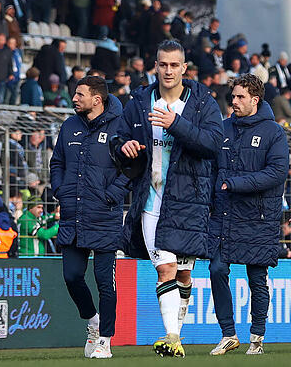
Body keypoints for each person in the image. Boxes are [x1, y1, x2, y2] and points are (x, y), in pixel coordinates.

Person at [117, 39, 223, 358]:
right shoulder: (139, 100)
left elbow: (213, 143)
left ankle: (174, 332)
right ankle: (172, 337)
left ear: (184, 68)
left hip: (188, 201)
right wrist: (125, 147)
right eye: (162, 64)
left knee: (184, 273)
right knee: (165, 268)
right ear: (155, 66)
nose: (168, 70)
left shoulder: (203, 102)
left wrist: (175, 124)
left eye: (174, 65)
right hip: (150, 199)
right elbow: (121, 137)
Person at [51, 76, 134, 359]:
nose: (74, 99)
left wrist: (112, 193)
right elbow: (57, 162)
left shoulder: (120, 126)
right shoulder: (69, 126)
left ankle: (105, 340)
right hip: (73, 215)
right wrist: (59, 189)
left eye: (79, 94)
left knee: (104, 282)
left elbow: (132, 167)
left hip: (105, 215)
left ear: (96, 99)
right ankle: (93, 321)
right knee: (72, 276)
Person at [207, 74, 289, 356]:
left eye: (241, 97)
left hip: (258, 217)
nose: (234, 102)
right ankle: (228, 334)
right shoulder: (223, 128)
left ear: (255, 100)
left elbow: (277, 173)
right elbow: (212, 169)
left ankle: (257, 336)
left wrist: (236, 183)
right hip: (225, 214)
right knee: (216, 269)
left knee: (257, 278)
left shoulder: (274, 132)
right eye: (233, 97)